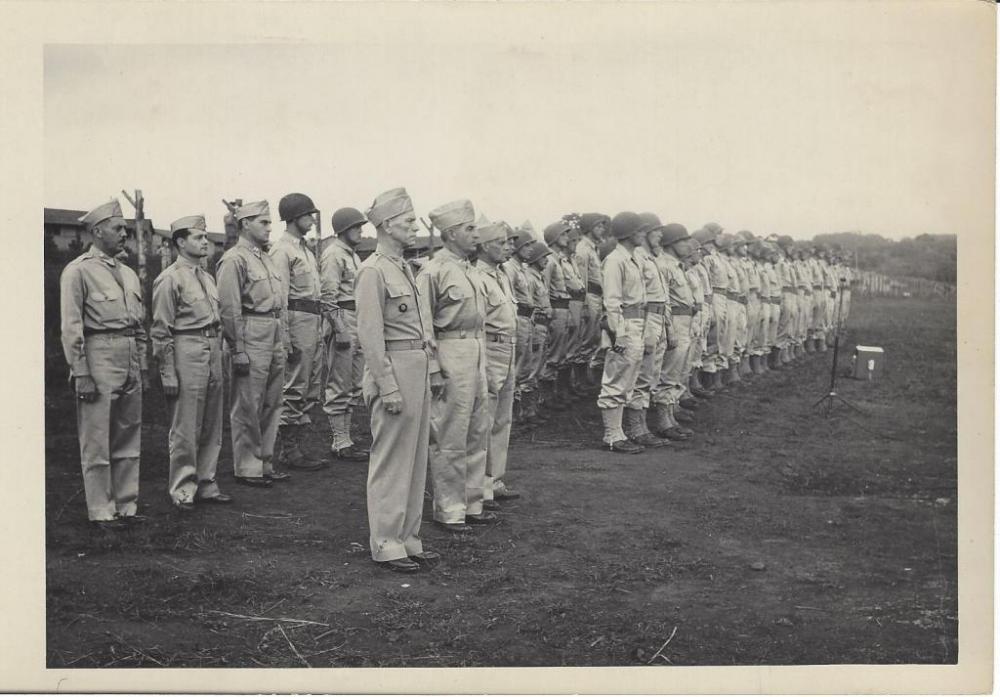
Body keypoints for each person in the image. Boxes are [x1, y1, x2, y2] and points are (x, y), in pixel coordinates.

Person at [356, 187, 441, 572]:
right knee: (391, 459)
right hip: (393, 368)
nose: (414, 227)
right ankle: (386, 541)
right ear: (387, 225)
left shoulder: (405, 267)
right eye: (407, 221)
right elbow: (371, 337)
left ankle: (408, 537)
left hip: (416, 365)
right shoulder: (373, 270)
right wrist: (386, 385)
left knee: (415, 458)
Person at [60, 199, 150, 528]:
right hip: (98, 353)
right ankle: (101, 510)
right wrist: (80, 371)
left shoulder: (127, 273)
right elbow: (71, 327)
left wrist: (142, 367)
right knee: (96, 436)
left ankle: (127, 505)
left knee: (128, 432)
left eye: (125, 228)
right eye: (118, 228)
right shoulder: (78, 271)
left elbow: (138, 326)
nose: (124, 234)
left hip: (127, 353)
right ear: (97, 232)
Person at [417, 200, 495, 531]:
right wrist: (433, 366)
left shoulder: (470, 269)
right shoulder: (433, 271)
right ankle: (449, 509)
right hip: (450, 350)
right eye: (469, 229)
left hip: (476, 347)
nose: (476, 235)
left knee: (479, 429)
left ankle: (473, 501)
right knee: (450, 432)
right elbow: (424, 325)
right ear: (450, 234)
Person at [151, 215, 230, 511]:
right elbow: (161, 330)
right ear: (180, 243)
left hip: (212, 346)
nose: (204, 242)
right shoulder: (170, 278)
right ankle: (183, 488)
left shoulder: (207, 278)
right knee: (186, 423)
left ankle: (207, 483)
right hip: (186, 346)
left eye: (205, 237)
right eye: (198, 237)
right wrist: (168, 371)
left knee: (212, 420)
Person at [216, 200, 290, 487]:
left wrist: (283, 337)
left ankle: (265, 462)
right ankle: (247, 466)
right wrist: (238, 349)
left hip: (272, 329)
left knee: (273, 400)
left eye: (269, 222)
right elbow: (229, 308)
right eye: (263, 222)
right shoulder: (235, 259)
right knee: (248, 402)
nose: (269, 228)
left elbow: (278, 301)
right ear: (245, 224)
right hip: (250, 328)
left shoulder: (266, 257)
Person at [269, 193, 324, 471]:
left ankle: (298, 447)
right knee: (295, 384)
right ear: (292, 218)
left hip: (312, 317)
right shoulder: (282, 251)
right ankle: (287, 449)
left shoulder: (304, 249)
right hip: (296, 317)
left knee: (311, 384)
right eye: (307, 215)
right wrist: (285, 335)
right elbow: (280, 296)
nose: (312, 220)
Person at [475, 217, 521, 506]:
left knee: (502, 418)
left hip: (508, 348)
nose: (508, 248)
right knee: (485, 418)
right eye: (501, 243)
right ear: (483, 247)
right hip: (490, 349)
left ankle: (494, 478)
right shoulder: (477, 277)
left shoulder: (501, 275)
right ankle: (479, 484)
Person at [321, 207, 371, 462]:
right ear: (343, 229)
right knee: (339, 382)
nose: (360, 231)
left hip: (357, 317)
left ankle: (346, 438)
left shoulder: (352, 255)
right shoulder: (333, 255)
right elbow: (328, 297)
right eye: (355, 227)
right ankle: (339, 441)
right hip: (343, 318)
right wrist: (339, 328)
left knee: (354, 383)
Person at [597, 212, 648, 453]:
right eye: (639, 230)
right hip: (624, 323)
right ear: (628, 233)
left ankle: (620, 432)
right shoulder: (615, 260)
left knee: (629, 379)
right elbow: (612, 301)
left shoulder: (633, 258)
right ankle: (612, 435)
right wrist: (617, 335)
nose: (643, 234)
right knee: (616, 378)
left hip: (637, 321)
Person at [622, 213, 672, 447]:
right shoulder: (638, 257)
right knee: (641, 373)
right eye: (656, 230)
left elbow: (664, 294)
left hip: (660, 316)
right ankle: (635, 427)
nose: (660, 235)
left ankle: (648, 424)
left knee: (653, 372)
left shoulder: (655, 258)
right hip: (646, 317)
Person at [652, 222, 700, 440]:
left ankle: (671, 415)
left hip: (686, 320)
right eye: (682, 240)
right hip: (674, 321)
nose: (687, 245)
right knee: (669, 372)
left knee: (679, 371)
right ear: (671, 242)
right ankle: (663, 420)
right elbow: (665, 301)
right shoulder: (663, 265)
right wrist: (669, 329)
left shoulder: (677, 265)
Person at [503, 224, 537, 422]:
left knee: (525, 365)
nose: (530, 249)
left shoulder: (521, 268)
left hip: (528, 317)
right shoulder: (510, 268)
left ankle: (523, 410)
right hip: (519, 317)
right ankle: (514, 414)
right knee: (516, 365)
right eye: (527, 246)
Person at [570, 213, 607, 390]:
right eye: (598, 226)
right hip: (589, 295)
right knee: (586, 337)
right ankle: (579, 379)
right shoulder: (583, 249)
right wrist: (584, 304)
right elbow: (582, 278)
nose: (602, 229)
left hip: (597, 296)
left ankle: (584, 376)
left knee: (594, 337)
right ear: (589, 229)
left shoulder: (593, 248)